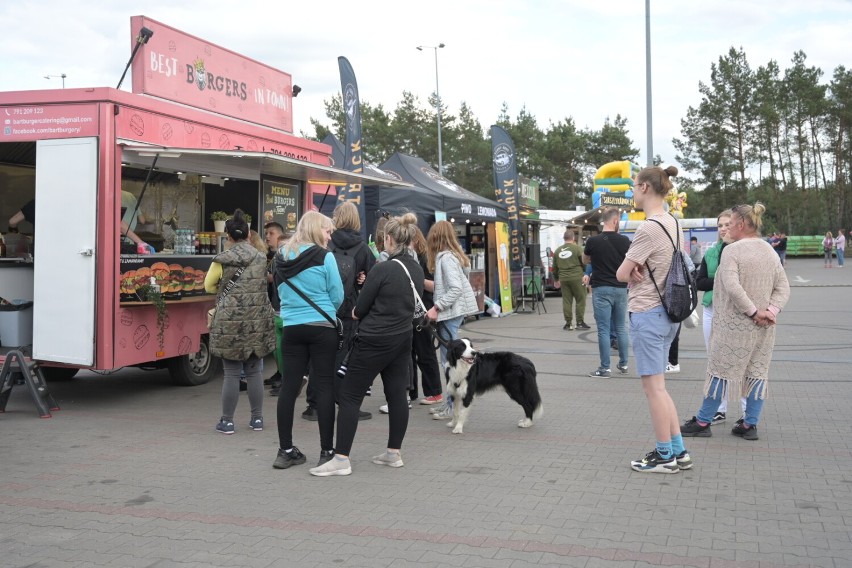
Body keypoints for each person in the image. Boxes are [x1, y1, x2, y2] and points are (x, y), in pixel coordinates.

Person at [309, 213, 424, 477]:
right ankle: (393, 453)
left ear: (389, 239)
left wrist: (356, 312)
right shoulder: (415, 269)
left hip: (373, 339)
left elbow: (360, 309)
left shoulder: (383, 269)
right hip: (402, 339)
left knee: (349, 395)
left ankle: (341, 458)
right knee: (397, 395)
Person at [680, 203, 790, 441]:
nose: (726, 228)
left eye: (730, 223)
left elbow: (732, 286)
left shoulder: (733, 251)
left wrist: (752, 312)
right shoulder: (770, 251)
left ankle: (703, 421)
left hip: (733, 326)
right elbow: (783, 287)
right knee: (756, 373)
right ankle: (750, 424)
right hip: (763, 328)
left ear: (741, 224)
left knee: (720, 370)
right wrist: (770, 311)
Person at [616, 165, 690, 474]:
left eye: (634, 186)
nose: (633, 192)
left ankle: (664, 456)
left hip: (647, 312)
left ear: (645, 187)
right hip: (669, 313)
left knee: (654, 390)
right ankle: (678, 451)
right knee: (661, 387)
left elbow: (621, 273)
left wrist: (631, 269)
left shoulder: (647, 228)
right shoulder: (673, 221)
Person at [272, 211, 343, 470]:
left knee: (289, 387)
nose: (330, 235)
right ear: (315, 229)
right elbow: (337, 295)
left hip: (292, 327)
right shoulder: (326, 258)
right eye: (327, 231)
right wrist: (326, 311)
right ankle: (326, 451)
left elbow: (277, 291)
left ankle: (285, 450)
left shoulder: (281, 257)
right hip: (322, 327)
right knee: (323, 386)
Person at [205, 209, 276, 435]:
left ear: (229, 237)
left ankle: (227, 422)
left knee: (232, 373)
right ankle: (257, 420)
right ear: (247, 235)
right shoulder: (260, 257)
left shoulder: (221, 260)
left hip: (230, 323)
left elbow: (208, 286)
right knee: (255, 371)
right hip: (256, 321)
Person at [424, 220, 481, 421]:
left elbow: (455, 289)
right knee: (450, 361)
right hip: (454, 312)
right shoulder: (453, 256)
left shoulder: (445, 259)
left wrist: (436, 306)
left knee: (449, 363)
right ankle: (451, 404)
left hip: (450, 313)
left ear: (436, 237)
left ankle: (451, 407)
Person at [693, 209, 741, 424]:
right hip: (712, 308)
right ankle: (719, 409)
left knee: (740, 362)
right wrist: (723, 283)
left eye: (727, 224)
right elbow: (699, 281)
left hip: (737, 312)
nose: (723, 229)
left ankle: (747, 415)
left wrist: (719, 282)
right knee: (714, 360)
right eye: (719, 225)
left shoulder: (743, 250)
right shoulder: (712, 252)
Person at [583, 207, 630, 378]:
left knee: (603, 329)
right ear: (615, 221)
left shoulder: (592, 241)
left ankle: (605, 368)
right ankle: (624, 364)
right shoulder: (625, 241)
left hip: (601, 289)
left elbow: (585, 258)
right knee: (621, 328)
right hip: (620, 288)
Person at [263, 222, 286, 394]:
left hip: (284, 308)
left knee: (283, 346)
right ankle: (280, 374)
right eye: (266, 234)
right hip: (275, 305)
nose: (268, 237)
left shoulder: (283, 256)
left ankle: (286, 378)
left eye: (271, 233)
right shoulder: (271, 256)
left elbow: (275, 279)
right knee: (276, 345)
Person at [553, 229, 588, 331]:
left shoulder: (557, 251)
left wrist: (556, 279)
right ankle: (580, 322)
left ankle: (568, 324)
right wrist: (585, 274)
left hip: (563, 278)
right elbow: (584, 262)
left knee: (567, 301)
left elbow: (554, 267)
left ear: (564, 238)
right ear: (573, 238)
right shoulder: (577, 249)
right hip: (577, 277)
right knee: (580, 300)